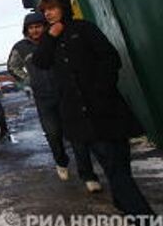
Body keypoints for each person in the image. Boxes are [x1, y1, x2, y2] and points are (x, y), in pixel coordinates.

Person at [33, 0, 162, 226]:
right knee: (114, 168)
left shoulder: (84, 29)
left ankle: (126, 205)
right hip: (82, 119)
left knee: (120, 169)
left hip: (107, 111)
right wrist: (50, 36)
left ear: (63, 8)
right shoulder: (50, 40)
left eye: (52, 9)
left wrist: (101, 89)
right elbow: (41, 62)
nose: (47, 14)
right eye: (44, 11)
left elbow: (110, 58)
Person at [7, 12, 100, 192]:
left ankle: (88, 175)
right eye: (31, 28)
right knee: (53, 134)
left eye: (38, 26)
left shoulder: (55, 40)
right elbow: (12, 67)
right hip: (43, 99)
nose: (35, 31)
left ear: (44, 26)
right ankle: (61, 161)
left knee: (76, 135)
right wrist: (28, 80)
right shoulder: (21, 47)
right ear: (26, 30)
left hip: (66, 94)